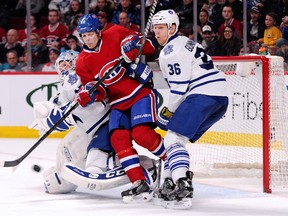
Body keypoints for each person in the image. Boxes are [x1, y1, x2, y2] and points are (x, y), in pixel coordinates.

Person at [29, 50, 158, 194]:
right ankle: (64, 174)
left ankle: (145, 168)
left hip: (107, 122)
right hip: (90, 128)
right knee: (66, 153)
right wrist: (47, 120)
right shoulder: (64, 90)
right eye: (61, 63)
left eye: (68, 62)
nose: (64, 66)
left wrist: (65, 112)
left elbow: (94, 105)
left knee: (96, 160)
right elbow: (64, 115)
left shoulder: (84, 76)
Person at [75, 13, 166, 202]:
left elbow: (150, 45)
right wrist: (89, 94)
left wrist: (135, 45)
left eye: (90, 34)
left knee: (141, 134)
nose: (87, 38)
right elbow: (100, 93)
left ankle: (175, 164)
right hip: (117, 102)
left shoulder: (115, 33)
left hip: (139, 93)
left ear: (98, 31)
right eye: (83, 36)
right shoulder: (82, 62)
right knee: (118, 139)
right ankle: (139, 183)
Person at [151, 9, 229, 209]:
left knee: (172, 138)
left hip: (202, 94)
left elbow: (178, 90)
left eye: (161, 28)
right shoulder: (186, 42)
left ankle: (182, 183)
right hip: (220, 97)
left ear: (173, 28)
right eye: (155, 28)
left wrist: (164, 114)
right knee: (177, 140)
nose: (157, 32)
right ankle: (169, 181)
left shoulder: (169, 51)